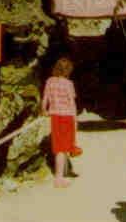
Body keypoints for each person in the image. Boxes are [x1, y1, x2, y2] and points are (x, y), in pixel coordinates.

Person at [42, 56, 82, 188]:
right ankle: (59, 178)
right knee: (63, 148)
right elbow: (72, 103)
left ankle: (62, 174)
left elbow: (45, 100)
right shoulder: (69, 84)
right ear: (68, 71)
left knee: (59, 146)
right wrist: (75, 120)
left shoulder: (50, 81)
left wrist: (44, 111)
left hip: (55, 116)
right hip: (67, 116)